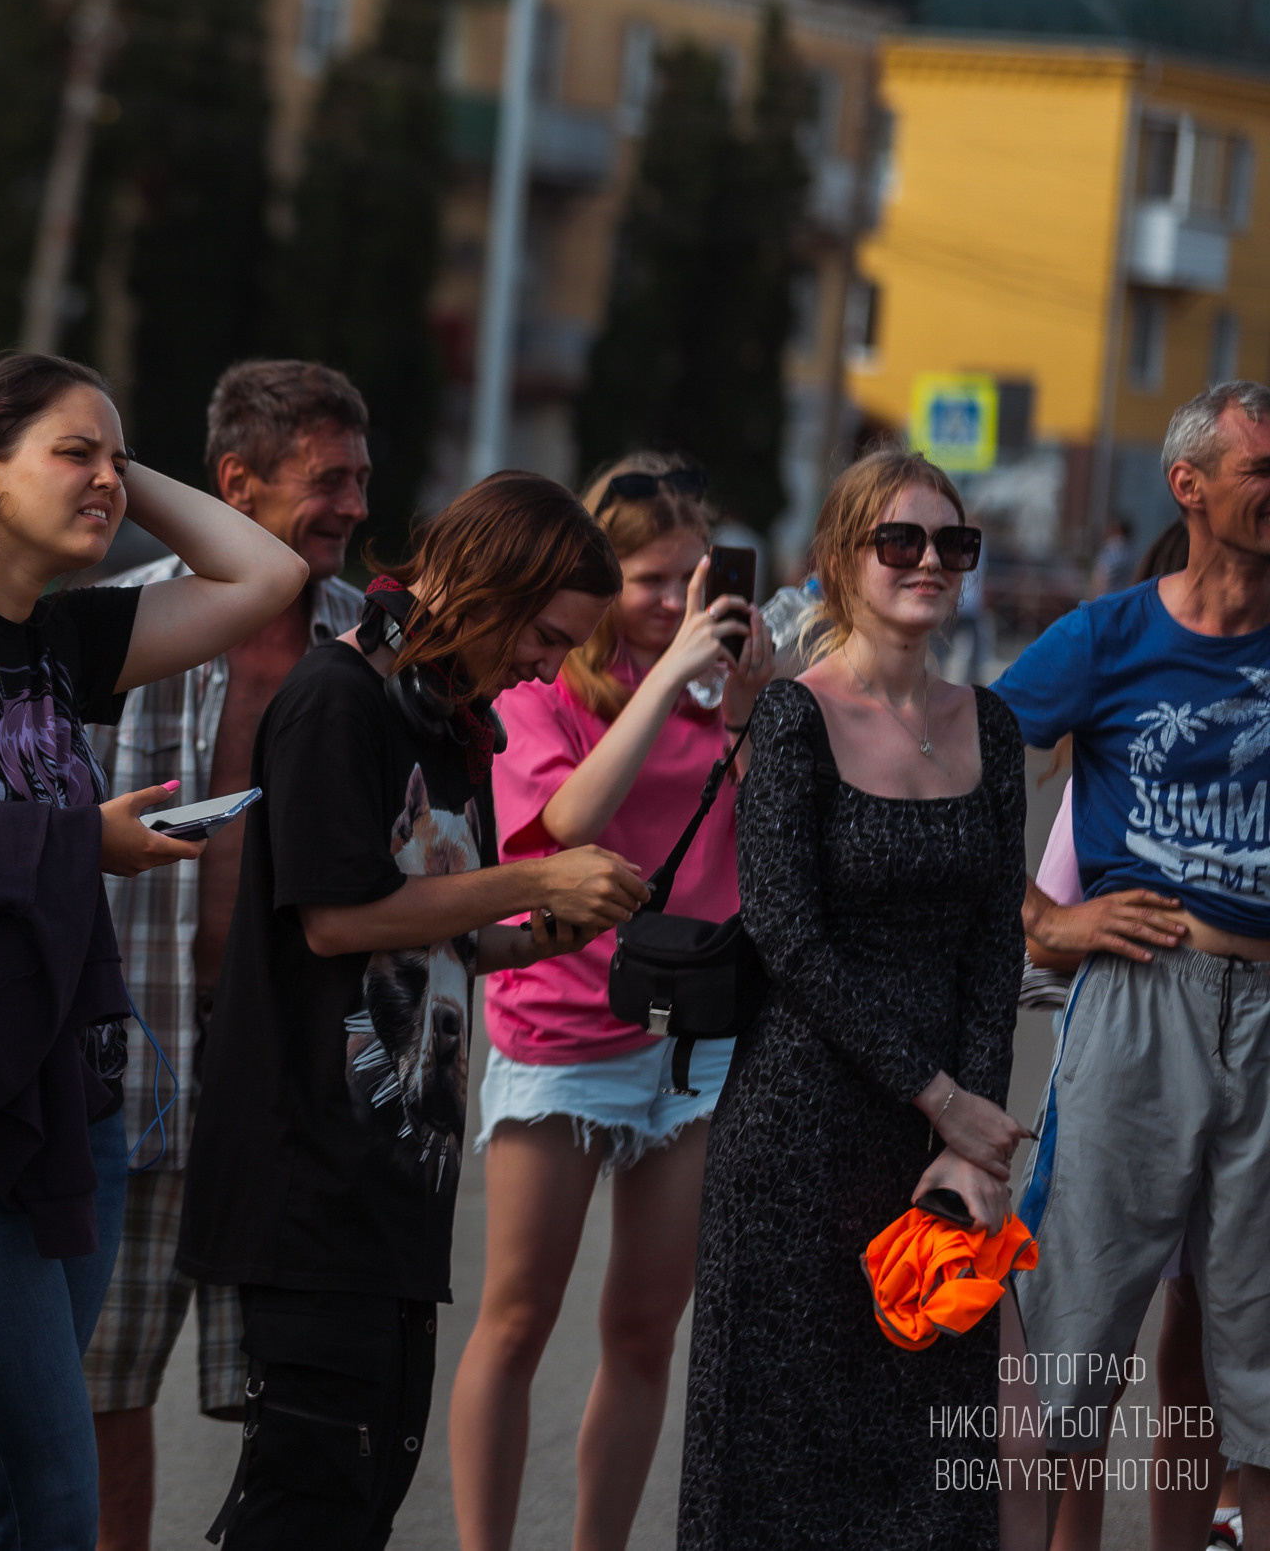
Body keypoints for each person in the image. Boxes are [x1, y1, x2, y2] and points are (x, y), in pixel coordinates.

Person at [0, 352, 310, 1547]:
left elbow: (264, 571)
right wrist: (77, 842)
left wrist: (112, 463)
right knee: (47, 1496)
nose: (106, 480)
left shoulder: (62, 635)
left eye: (116, 457)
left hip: (74, 1107)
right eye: (73, 454)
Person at [177, 471, 644, 1549]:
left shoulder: (450, 717)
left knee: (362, 1498)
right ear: (487, 583)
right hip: (308, 1181)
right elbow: (337, 918)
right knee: (306, 1506)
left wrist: (530, 939)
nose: (543, 664)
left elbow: (426, 922)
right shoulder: (336, 697)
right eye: (542, 632)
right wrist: (536, 878)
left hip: (394, 1189)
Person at [677, 448, 1027, 1550]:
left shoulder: (994, 726)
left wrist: (969, 1131)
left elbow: (991, 938)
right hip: (800, 1129)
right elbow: (786, 934)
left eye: (951, 544)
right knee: (780, 1466)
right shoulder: (791, 720)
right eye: (900, 541)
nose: (928, 562)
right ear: (839, 559)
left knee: (930, 1462)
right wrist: (940, 1096)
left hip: (936, 1149)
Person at [448, 455, 771, 1551]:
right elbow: (564, 826)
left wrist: (755, 703)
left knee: (643, 1330)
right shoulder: (539, 685)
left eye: (696, 574)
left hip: (692, 1041)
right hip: (561, 1033)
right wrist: (667, 668)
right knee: (517, 1319)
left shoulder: (719, 687)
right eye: (650, 578)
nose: (679, 598)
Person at [82, 359, 372, 1551]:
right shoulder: (126, 624)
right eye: (326, 480)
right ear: (233, 484)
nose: (353, 504)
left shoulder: (370, 647)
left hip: (296, 1085)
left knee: (294, 1403)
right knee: (102, 1389)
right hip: (134, 1062)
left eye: (363, 477)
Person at [1000, 381, 1270, 1548]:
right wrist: (1041, 921)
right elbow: (953, 769)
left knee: (1251, 1343)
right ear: (1190, 485)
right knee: (1074, 1326)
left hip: (1266, 1018)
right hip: (1139, 1004)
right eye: (1263, 466)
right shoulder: (1107, 637)